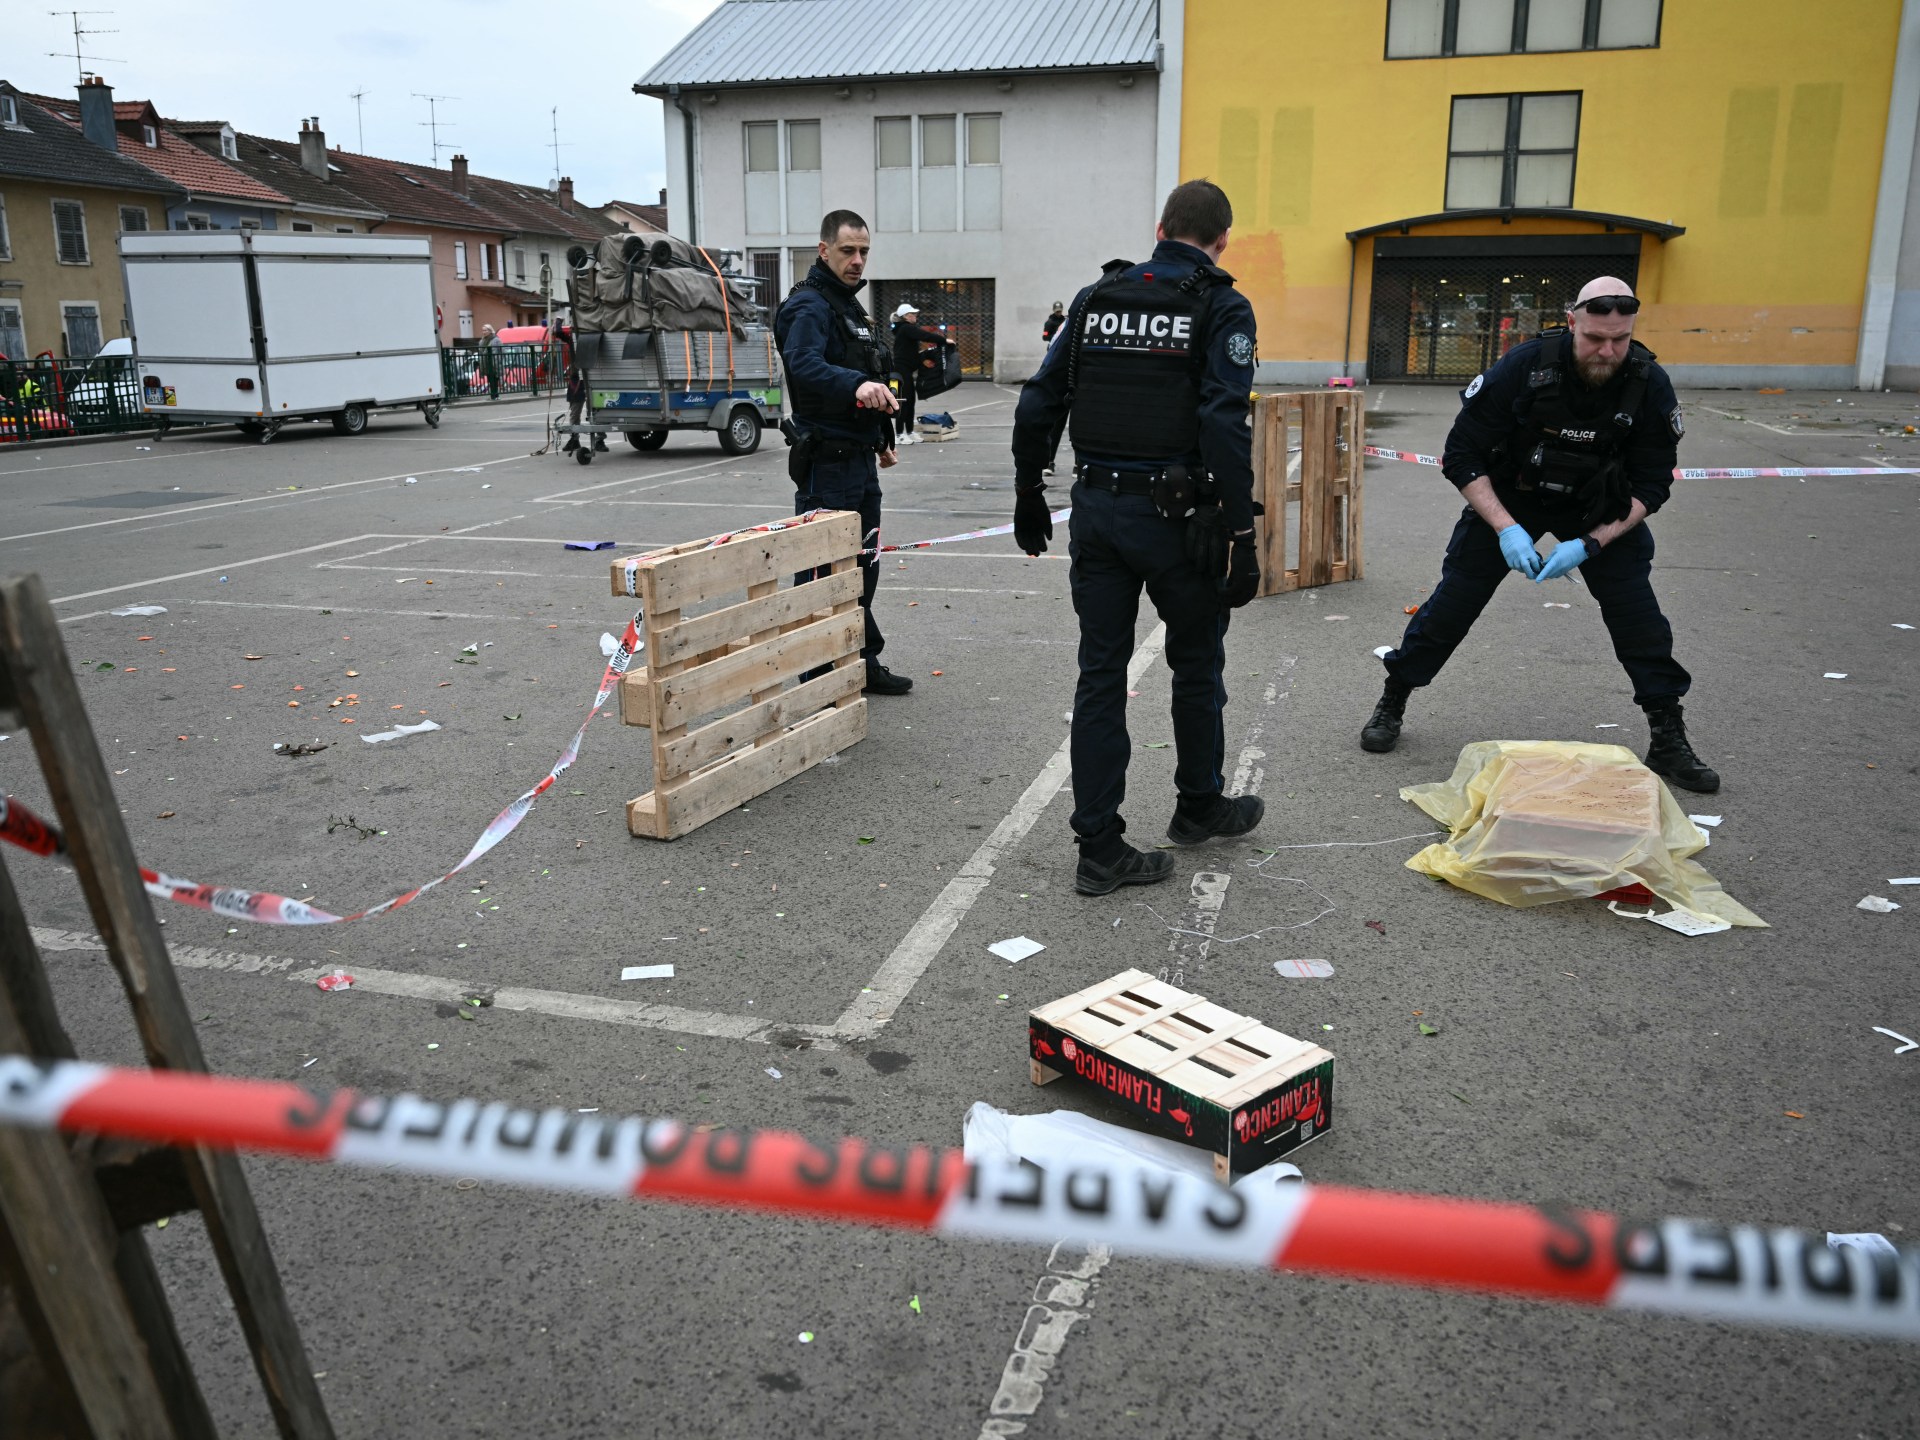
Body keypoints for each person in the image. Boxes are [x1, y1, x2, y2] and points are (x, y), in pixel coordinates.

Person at [1360, 277, 1718, 793]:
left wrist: (1592, 543)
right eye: (1596, 338)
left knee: (1639, 617)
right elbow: (1461, 455)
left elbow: (1652, 482)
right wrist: (1506, 530)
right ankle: (1394, 697)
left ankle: (1667, 737)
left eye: (1619, 339)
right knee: (1453, 603)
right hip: (1513, 496)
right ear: (1572, 321)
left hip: (1599, 508)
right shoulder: (1525, 367)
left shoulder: (1648, 382)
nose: (1608, 350)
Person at [1010, 179, 1265, 896]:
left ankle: (1100, 845)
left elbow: (1039, 400)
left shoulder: (1095, 299)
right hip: (1180, 521)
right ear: (1221, 241)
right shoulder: (1220, 304)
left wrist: (1030, 490)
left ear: (1160, 227)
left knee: (1101, 674)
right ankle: (1199, 803)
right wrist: (1243, 533)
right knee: (1196, 662)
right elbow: (1223, 420)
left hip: (1097, 510)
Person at [774, 209, 912, 697]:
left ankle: (860, 661)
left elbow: (872, 365)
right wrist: (860, 385)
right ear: (824, 249)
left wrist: (882, 440)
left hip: (857, 462)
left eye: (864, 252)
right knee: (821, 578)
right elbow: (805, 364)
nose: (857, 261)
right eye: (848, 251)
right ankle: (817, 681)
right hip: (826, 469)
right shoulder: (810, 307)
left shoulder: (849, 307)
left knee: (861, 570)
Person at [891, 302, 945, 446]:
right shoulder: (906, 328)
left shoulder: (906, 329)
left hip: (906, 371)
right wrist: (944, 340)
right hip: (898, 372)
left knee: (910, 402)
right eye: (911, 314)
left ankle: (909, 432)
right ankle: (899, 435)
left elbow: (912, 353)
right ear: (905, 317)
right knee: (902, 402)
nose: (915, 316)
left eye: (914, 314)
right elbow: (925, 335)